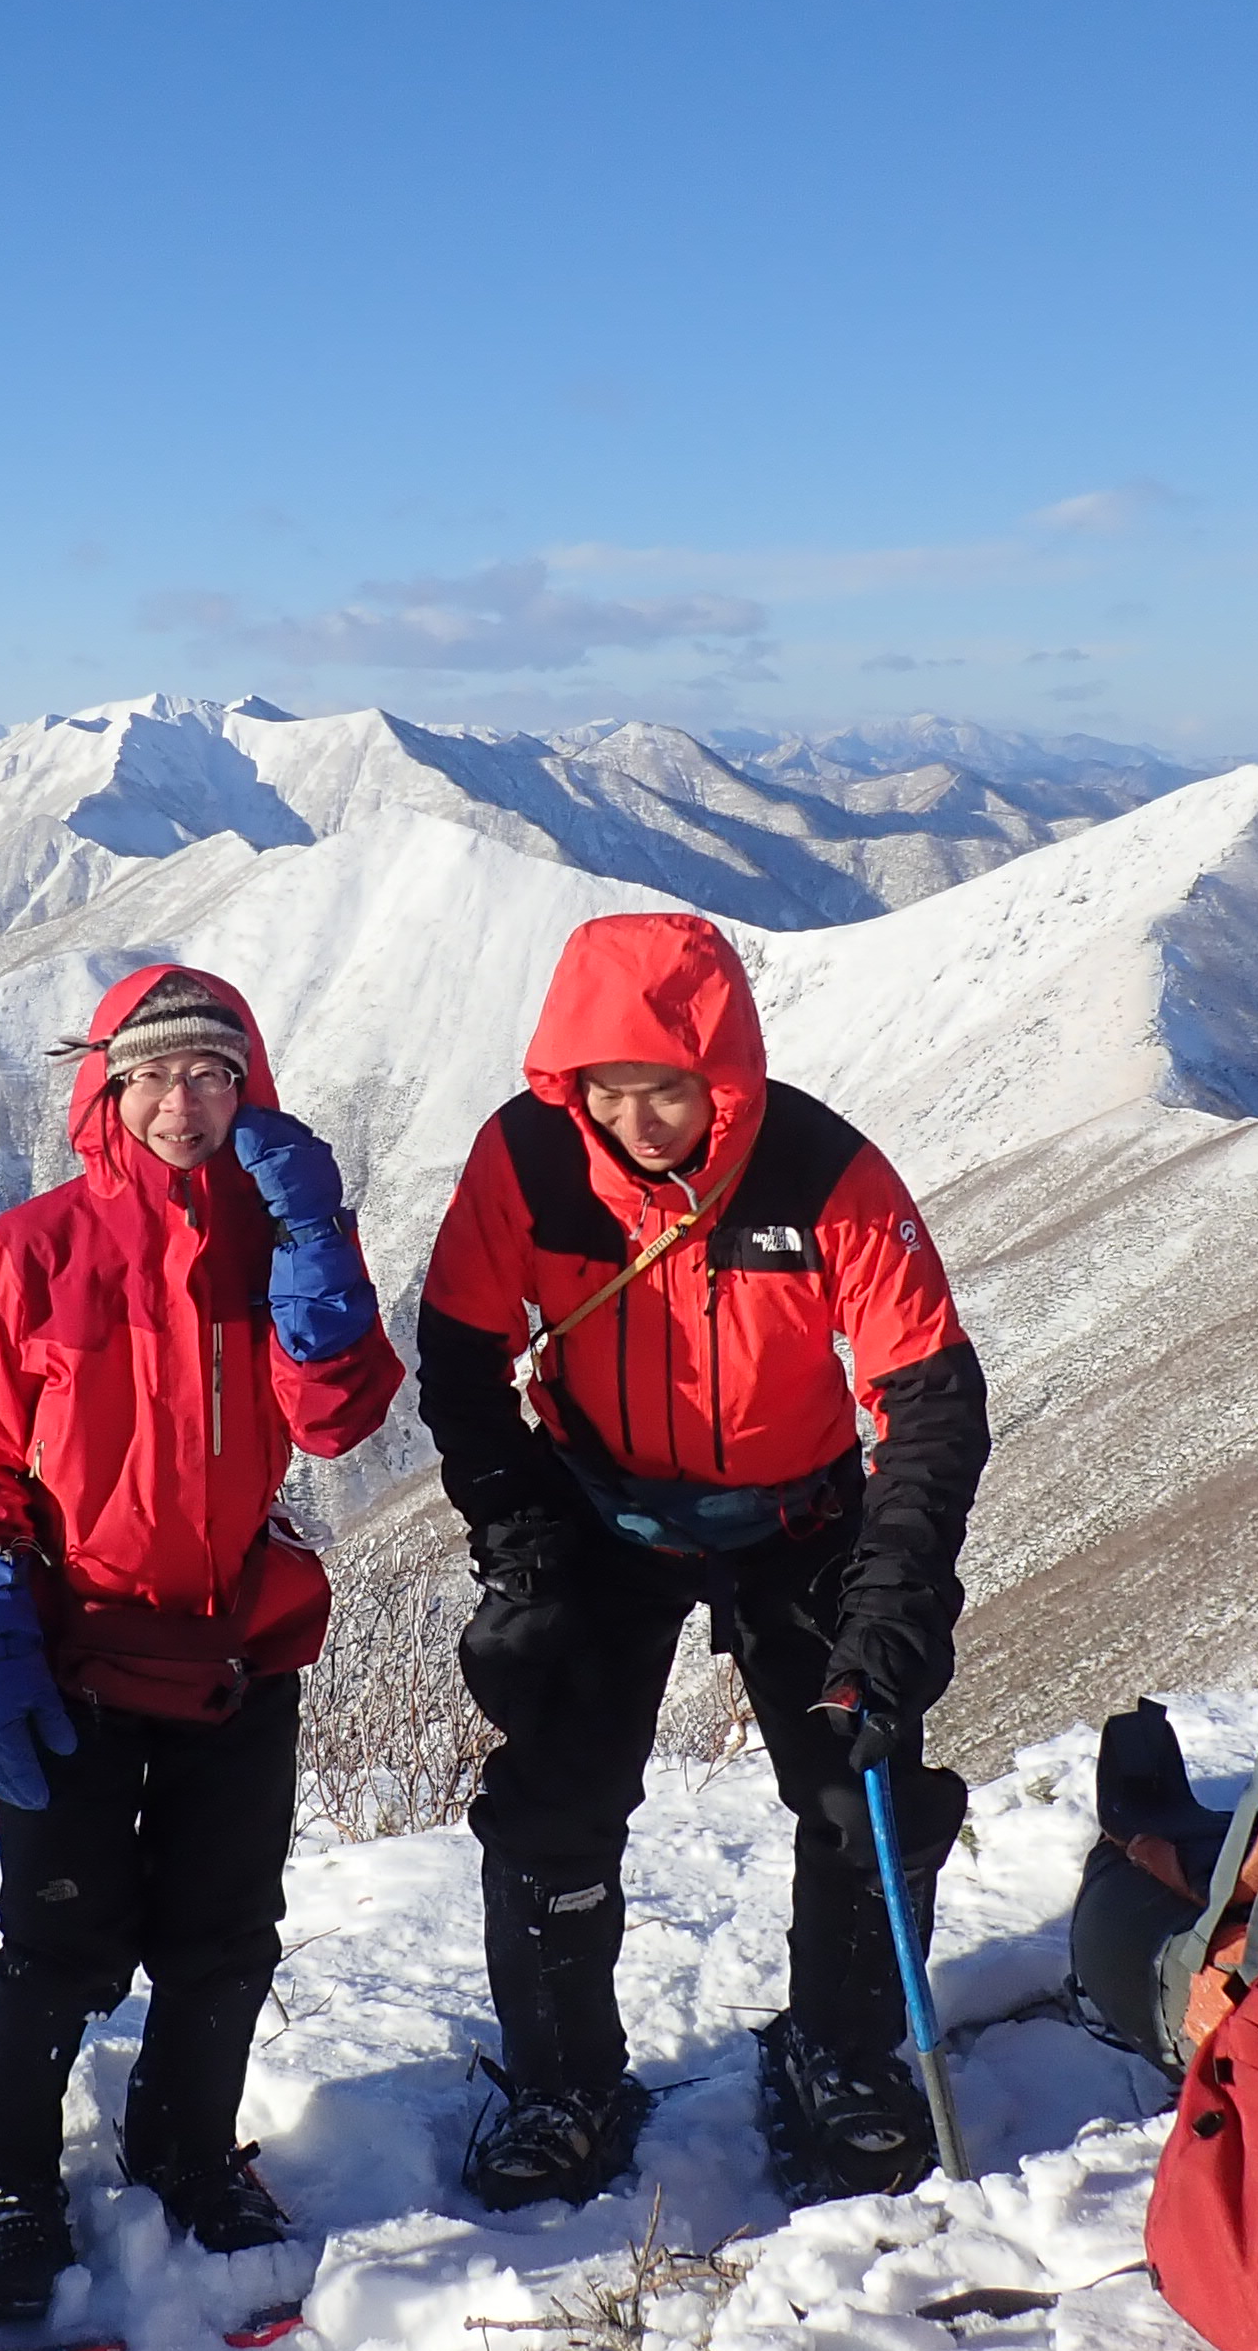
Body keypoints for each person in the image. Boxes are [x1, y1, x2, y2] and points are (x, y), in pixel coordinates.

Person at [413, 912, 990, 2210]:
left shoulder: (820, 1172)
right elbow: (458, 1357)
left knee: (858, 1784)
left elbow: (931, 1399)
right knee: (556, 1797)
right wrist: (521, 1552)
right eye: (607, 1091)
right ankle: (565, 2081)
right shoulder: (529, 1161)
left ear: (722, 1072)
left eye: (665, 1088)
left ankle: (839, 2053)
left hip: (798, 1519)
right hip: (598, 1511)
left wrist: (894, 1612)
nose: (636, 1120)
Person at [0, 964, 407, 2332]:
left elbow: (338, 1420)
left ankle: (186, 2149)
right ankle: (4, 2182)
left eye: (212, 1075)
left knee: (224, 1937)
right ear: (108, 1093)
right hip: (75, 1648)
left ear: (249, 1091)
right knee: (58, 1944)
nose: (182, 1103)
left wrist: (318, 1236)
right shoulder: (26, 1252)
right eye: (154, 1077)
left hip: (234, 1647)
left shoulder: (276, 1230)